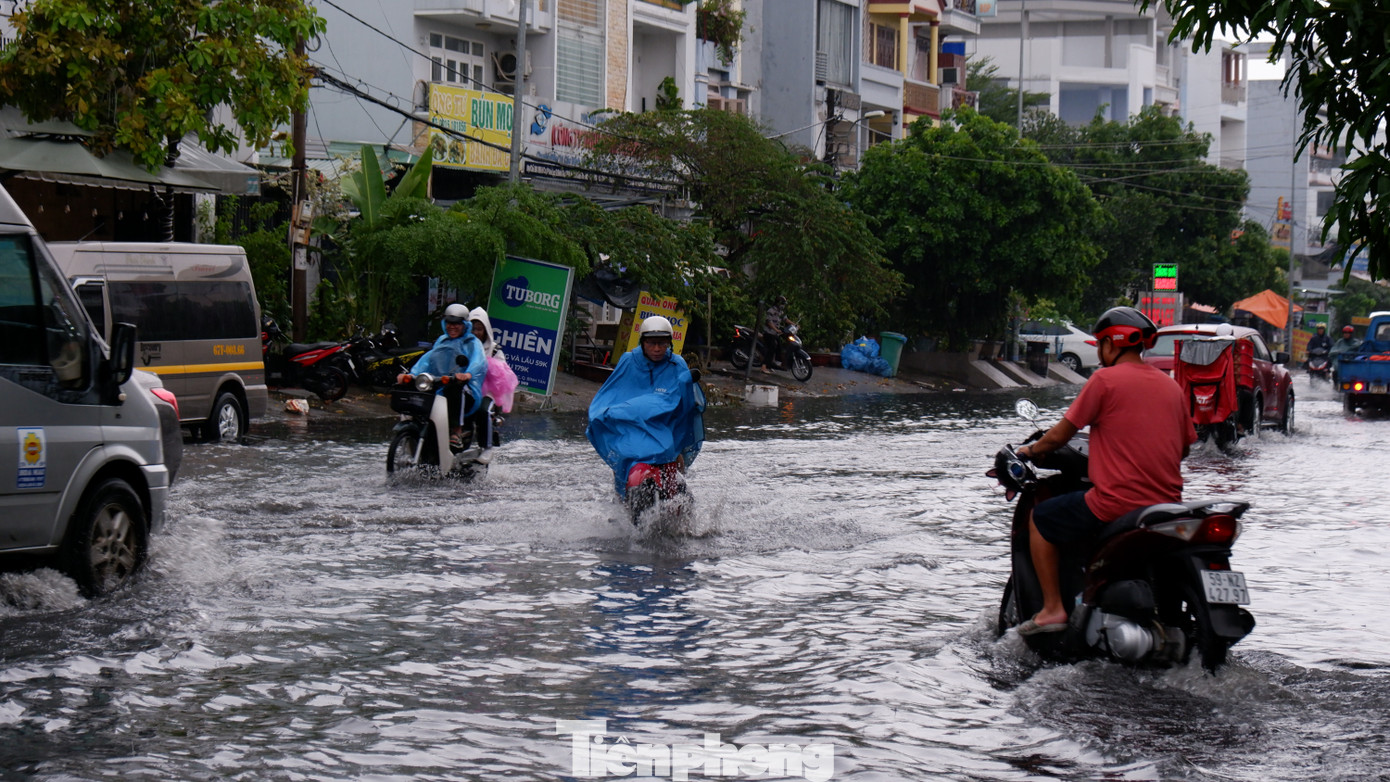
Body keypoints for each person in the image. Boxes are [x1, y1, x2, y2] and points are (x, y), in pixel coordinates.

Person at [1012, 306, 1197, 635]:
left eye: (1101, 344)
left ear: (1113, 344)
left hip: (1115, 504)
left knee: (1040, 518)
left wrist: (1029, 450)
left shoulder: (1105, 380)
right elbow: (1184, 447)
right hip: (1167, 507)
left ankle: (1053, 608)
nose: (1098, 352)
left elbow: (1061, 434)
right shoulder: (1171, 387)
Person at [586, 316, 706, 499]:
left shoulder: (677, 364)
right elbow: (611, 394)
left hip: (664, 427)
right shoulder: (628, 361)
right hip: (632, 427)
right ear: (642, 342)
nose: (657, 349)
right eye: (651, 343)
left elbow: (685, 402)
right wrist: (604, 413)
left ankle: (678, 499)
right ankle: (621, 501)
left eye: (662, 343)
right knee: (622, 460)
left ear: (669, 343)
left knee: (676, 457)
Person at [396, 303, 487, 451]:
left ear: (464, 324)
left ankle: (456, 431)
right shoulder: (442, 340)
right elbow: (428, 359)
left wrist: (467, 374)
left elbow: (479, 361)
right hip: (438, 384)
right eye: (449, 323)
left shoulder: (472, 343)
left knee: (455, 389)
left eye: (457, 323)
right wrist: (411, 375)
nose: (452, 327)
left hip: (464, 387)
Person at [466, 306, 517, 464]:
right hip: (465, 389)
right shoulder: (462, 346)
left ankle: (487, 447)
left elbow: (503, 374)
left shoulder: (494, 350)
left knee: (482, 410)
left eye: (479, 329)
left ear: (486, 330)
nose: (475, 332)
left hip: (487, 393)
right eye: (472, 328)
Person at [760, 296, 787, 373]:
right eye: (782, 303)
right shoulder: (771, 311)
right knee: (771, 349)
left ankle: (771, 364)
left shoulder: (780, 311)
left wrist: (794, 324)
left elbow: (785, 319)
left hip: (775, 334)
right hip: (769, 333)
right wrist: (776, 330)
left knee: (779, 348)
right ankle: (763, 367)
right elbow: (769, 322)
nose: (783, 305)